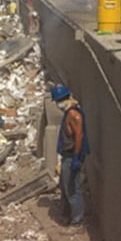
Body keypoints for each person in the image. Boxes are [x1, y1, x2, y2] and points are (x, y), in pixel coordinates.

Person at [51, 84, 90, 227]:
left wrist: (75, 158)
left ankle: (77, 221)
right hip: (67, 156)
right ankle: (66, 214)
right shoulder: (69, 112)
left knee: (72, 190)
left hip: (72, 156)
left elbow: (79, 136)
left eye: (58, 100)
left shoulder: (73, 115)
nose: (58, 104)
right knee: (65, 186)